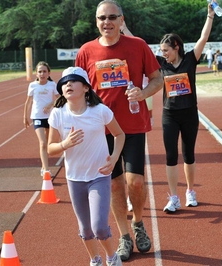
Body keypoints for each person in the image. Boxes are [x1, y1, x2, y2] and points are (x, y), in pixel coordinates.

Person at [75, 0, 164, 261]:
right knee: (113, 186)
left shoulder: (138, 46)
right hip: (100, 131)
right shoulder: (86, 51)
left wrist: (142, 92)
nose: (107, 22)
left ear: (121, 20)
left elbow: (158, 79)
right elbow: (79, 89)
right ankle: (125, 236)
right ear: (96, 22)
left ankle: (138, 222)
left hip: (133, 126)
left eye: (112, 17)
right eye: (102, 18)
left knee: (134, 182)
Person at [47, 67, 125, 266]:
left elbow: (119, 134)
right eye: (64, 83)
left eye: (72, 81)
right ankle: (95, 260)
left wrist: (114, 157)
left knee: (99, 227)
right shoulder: (58, 114)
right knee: (85, 229)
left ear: (86, 88)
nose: (68, 85)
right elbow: (50, 148)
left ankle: (111, 257)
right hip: (75, 178)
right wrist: (65, 144)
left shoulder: (100, 111)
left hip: (98, 175)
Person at [152, 2, 215, 213]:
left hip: (189, 114)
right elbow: (140, 47)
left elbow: (203, 38)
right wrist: (123, 29)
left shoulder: (190, 60)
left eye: (166, 50)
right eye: (161, 51)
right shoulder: (162, 64)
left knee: (189, 154)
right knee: (171, 155)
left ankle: (190, 191)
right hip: (169, 114)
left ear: (176, 47)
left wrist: (210, 16)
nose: (164, 54)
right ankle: (174, 197)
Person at [23, 61, 59, 177]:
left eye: (44, 71)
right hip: (37, 117)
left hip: (50, 117)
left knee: (48, 144)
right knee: (43, 143)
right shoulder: (33, 86)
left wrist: (51, 104)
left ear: (48, 73)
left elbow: (61, 98)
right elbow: (28, 102)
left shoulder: (52, 85)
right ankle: (46, 170)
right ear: (36, 74)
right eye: (39, 72)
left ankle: (44, 166)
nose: (42, 74)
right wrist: (25, 117)